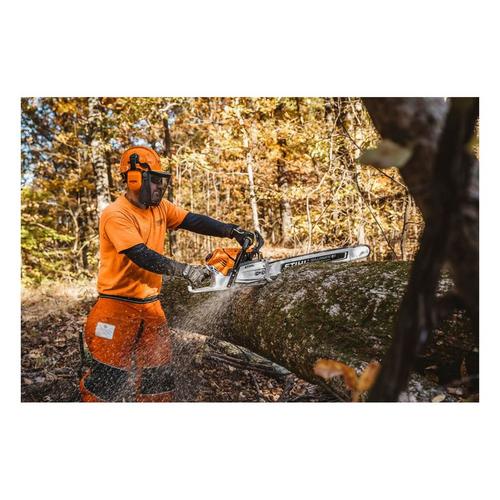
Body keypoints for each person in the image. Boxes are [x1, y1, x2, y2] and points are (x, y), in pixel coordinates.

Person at [79, 145, 254, 402]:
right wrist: (185, 270)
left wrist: (231, 230)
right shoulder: (116, 214)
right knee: (107, 382)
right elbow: (140, 254)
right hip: (116, 309)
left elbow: (192, 220)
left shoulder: (159, 208)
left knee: (158, 377)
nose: (159, 187)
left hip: (151, 308)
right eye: (154, 181)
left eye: (161, 181)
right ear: (134, 179)